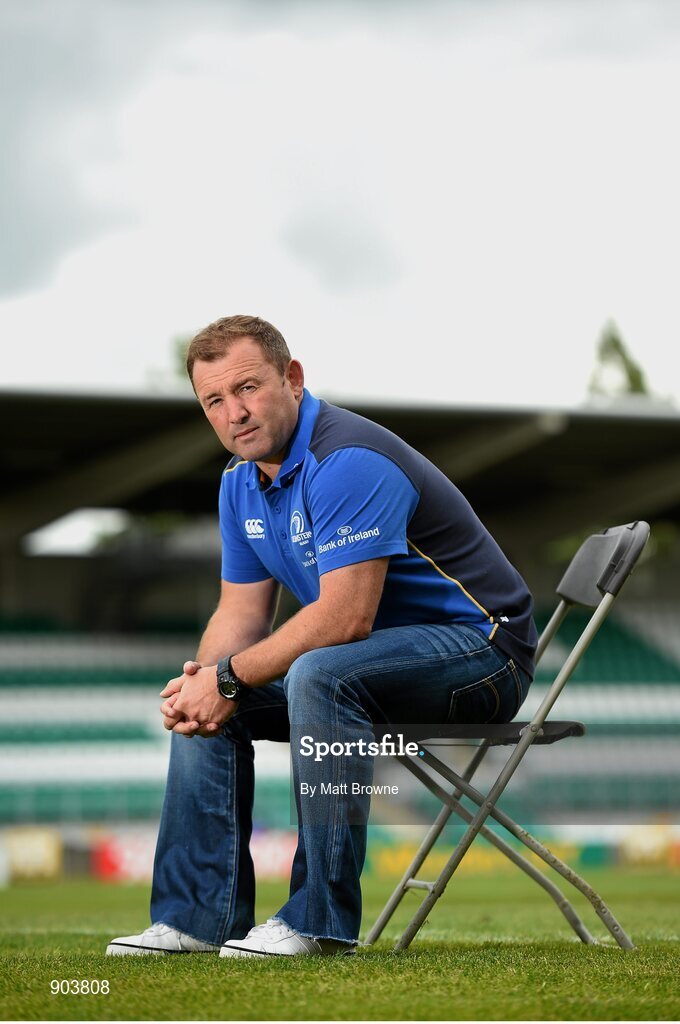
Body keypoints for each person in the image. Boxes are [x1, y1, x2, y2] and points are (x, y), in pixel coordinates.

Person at [107, 314, 537, 958]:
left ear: (293, 378)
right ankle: (197, 920)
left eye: (248, 387)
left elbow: (344, 620)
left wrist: (229, 677)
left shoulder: (348, 459)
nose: (235, 413)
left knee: (319, 671)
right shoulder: (237, 482)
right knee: (215, 696)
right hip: (374, 664)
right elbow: (240, 616)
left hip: (482, 654)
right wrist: (201, 684)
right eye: (214, 401)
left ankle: (317, 920)